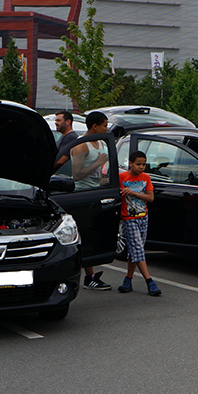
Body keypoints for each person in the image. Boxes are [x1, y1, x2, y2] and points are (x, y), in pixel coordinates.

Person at [69, 112, 113, 290]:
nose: (106, 128)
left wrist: (103, 180)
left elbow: (102, 169)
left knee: (96, 233)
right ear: (94, 126)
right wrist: (97, 163)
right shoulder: (81, 146)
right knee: (84, 235)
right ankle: (89, 276)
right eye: (104, 125)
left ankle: (91, 273)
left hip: (98, 191)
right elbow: (77, 174)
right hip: (83, 195)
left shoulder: (102, 142)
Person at [118, 150, 161, 296]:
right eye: (138, 164)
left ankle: (128, 279)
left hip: (143, 216)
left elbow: (150, 198)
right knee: (138, 249)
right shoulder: (122, 177)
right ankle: (149, 281)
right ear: (130, 164)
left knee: (136, 251)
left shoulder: (146, 178)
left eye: (143, 164)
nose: (141, 167)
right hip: (129, 217)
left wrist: (133, 193)